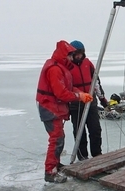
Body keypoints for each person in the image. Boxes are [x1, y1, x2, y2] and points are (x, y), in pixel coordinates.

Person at [36, 40, 93, 183]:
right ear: (64, 55)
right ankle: (50, 171)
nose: (71, 58)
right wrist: (79, 96)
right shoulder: (55, 69)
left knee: (58, 138)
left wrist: (80, 93)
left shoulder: (61, 68)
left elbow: (68, 87)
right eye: (69, 55)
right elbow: (61, 93)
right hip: (50, 107)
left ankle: (55, 164)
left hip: (54, 108)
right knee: (56, 139)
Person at [68, 40, 109, 161]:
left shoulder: (88, 63)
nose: (79, 56)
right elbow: (65, 87)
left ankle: (97, 154)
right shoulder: (67, 66)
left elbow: (96, 82)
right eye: (76, 54)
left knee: (95, 129)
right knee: (79, 132)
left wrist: (102, 99)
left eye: (80, 53)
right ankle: (83, 157)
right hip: (75, 105)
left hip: (91, 102)